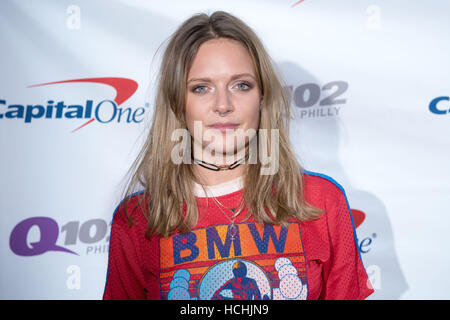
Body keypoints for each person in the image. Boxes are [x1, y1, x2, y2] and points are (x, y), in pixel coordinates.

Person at [103, 10, 374, 300]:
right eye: (201, 88)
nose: (223, 105)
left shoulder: (319, 200)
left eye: (241, 85)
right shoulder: (137, 219)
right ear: (178, 104)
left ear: (262, 98)